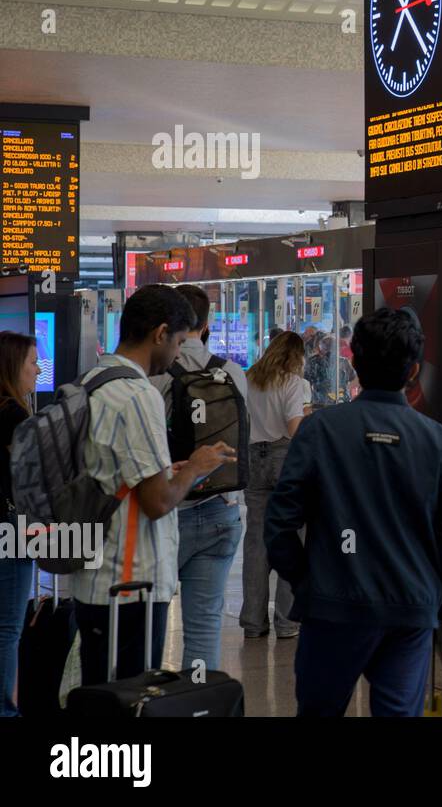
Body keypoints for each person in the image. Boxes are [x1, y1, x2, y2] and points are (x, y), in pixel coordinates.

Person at [266, 308, 442, 717]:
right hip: (410, 608)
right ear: (414, 371)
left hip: (333, 604)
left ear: (354, 362)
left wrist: (306, 580)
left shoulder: (320, 431)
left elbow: (279, 523)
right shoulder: (441, 444)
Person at [70, 285, 235, 687]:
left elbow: (115, 470)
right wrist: (195, 467)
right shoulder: (137, 393)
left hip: (94, 577)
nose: (178, 353)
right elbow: (158, 501)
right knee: (131, 700)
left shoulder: (93, 379)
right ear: (160, 333)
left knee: (100, 696)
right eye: (178, 341)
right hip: (131, 584)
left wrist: (169, 468)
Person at [150, 284, 248, 677]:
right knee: (205, 624)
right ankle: (196, 700)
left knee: (152, 619)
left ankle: (148, 700)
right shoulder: (234, 373)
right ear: (206, 325)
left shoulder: (154, 378)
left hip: (169, 508)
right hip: (222, 510)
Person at [240, 331, 311, 640]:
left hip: (254, 457)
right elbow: (296, 427)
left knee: (257, 539)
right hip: (285, 459)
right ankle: (287, 621)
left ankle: (254, 622)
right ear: (296, 356)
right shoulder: (294, 383)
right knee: (292, 537)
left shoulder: (250, 378)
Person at [0, 332, 38, 716]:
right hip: (9, 527)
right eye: (31, 363)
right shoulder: (12, 414)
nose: (38, 369)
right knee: (8, 627)